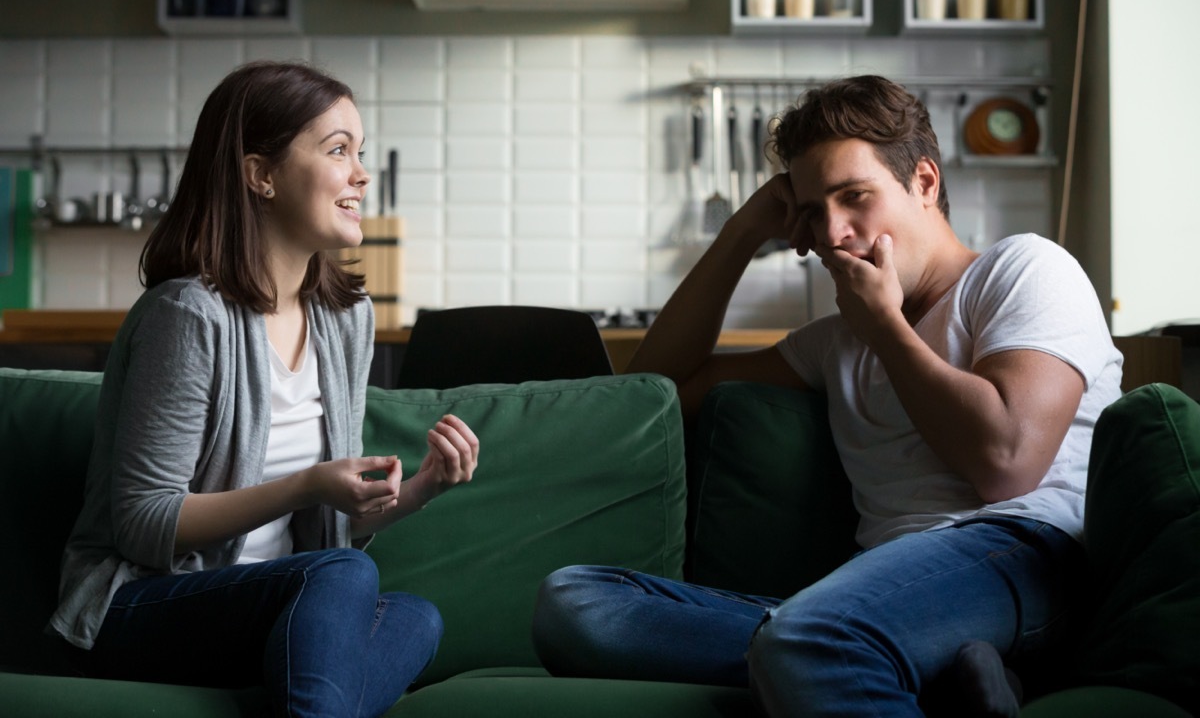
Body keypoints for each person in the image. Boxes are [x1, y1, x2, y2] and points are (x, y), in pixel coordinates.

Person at [531, 75, 1123, 716]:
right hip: (878, 590)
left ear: (924, 183)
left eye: (854, 196)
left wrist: (887, 328)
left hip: (1023, 554)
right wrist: (743, 231)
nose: (832, 232)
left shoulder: (1024, 270)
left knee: (809, 640)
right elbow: (656, 393)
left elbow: (1006, 463)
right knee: (575, 605)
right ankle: (913, 663)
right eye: (813, 211)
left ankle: (835, 645)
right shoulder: (833, 343)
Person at [47, 61, 481, 718]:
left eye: (360, 152)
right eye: (339, 150)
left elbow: (331, 522)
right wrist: (306, 484)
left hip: (272, 605)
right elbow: (142, 526)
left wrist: (423, 489)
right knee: (343, 577)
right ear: (261, 174)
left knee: (414, 617)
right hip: (143, 604)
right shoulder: (189, 316)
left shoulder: (345, 319)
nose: (362, 174)